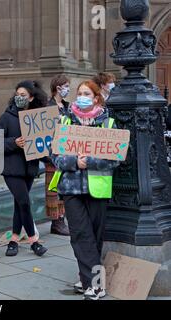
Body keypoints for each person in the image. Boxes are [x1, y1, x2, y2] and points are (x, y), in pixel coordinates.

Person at [50, 80, 119, 300]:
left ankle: (86, 276)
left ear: (96, 98)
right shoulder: (64, 121)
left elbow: (114, 159)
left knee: (94, 237)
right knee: (80, 234)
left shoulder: (108, 123)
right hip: (71, 188)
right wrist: (74, 162)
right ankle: (95, 284)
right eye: (79, 93)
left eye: (86, 93)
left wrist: (89, 161)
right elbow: (55, 156)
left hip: (98, 188)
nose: (81, 96)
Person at [0, 81, 49, 257]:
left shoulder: (36, 118)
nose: (19, 97)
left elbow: (44, 145)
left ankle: (14, 240)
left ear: (32, 97)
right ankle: (34, 241)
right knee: (24, 202)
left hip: (29, 169)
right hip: (11, 168)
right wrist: (14, 143)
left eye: (23, 95)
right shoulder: (7, 117)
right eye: (17, 94)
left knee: (19, 205)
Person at [46, 75, 71, 236]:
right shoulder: (48, 106)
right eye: (66, 86)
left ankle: (62, 218)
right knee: (53, 188)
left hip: (67, 151)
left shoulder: (68, 106)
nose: (68, 89)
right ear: (58, 87)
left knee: (64, 187)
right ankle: (56, 221)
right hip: (53, 152)